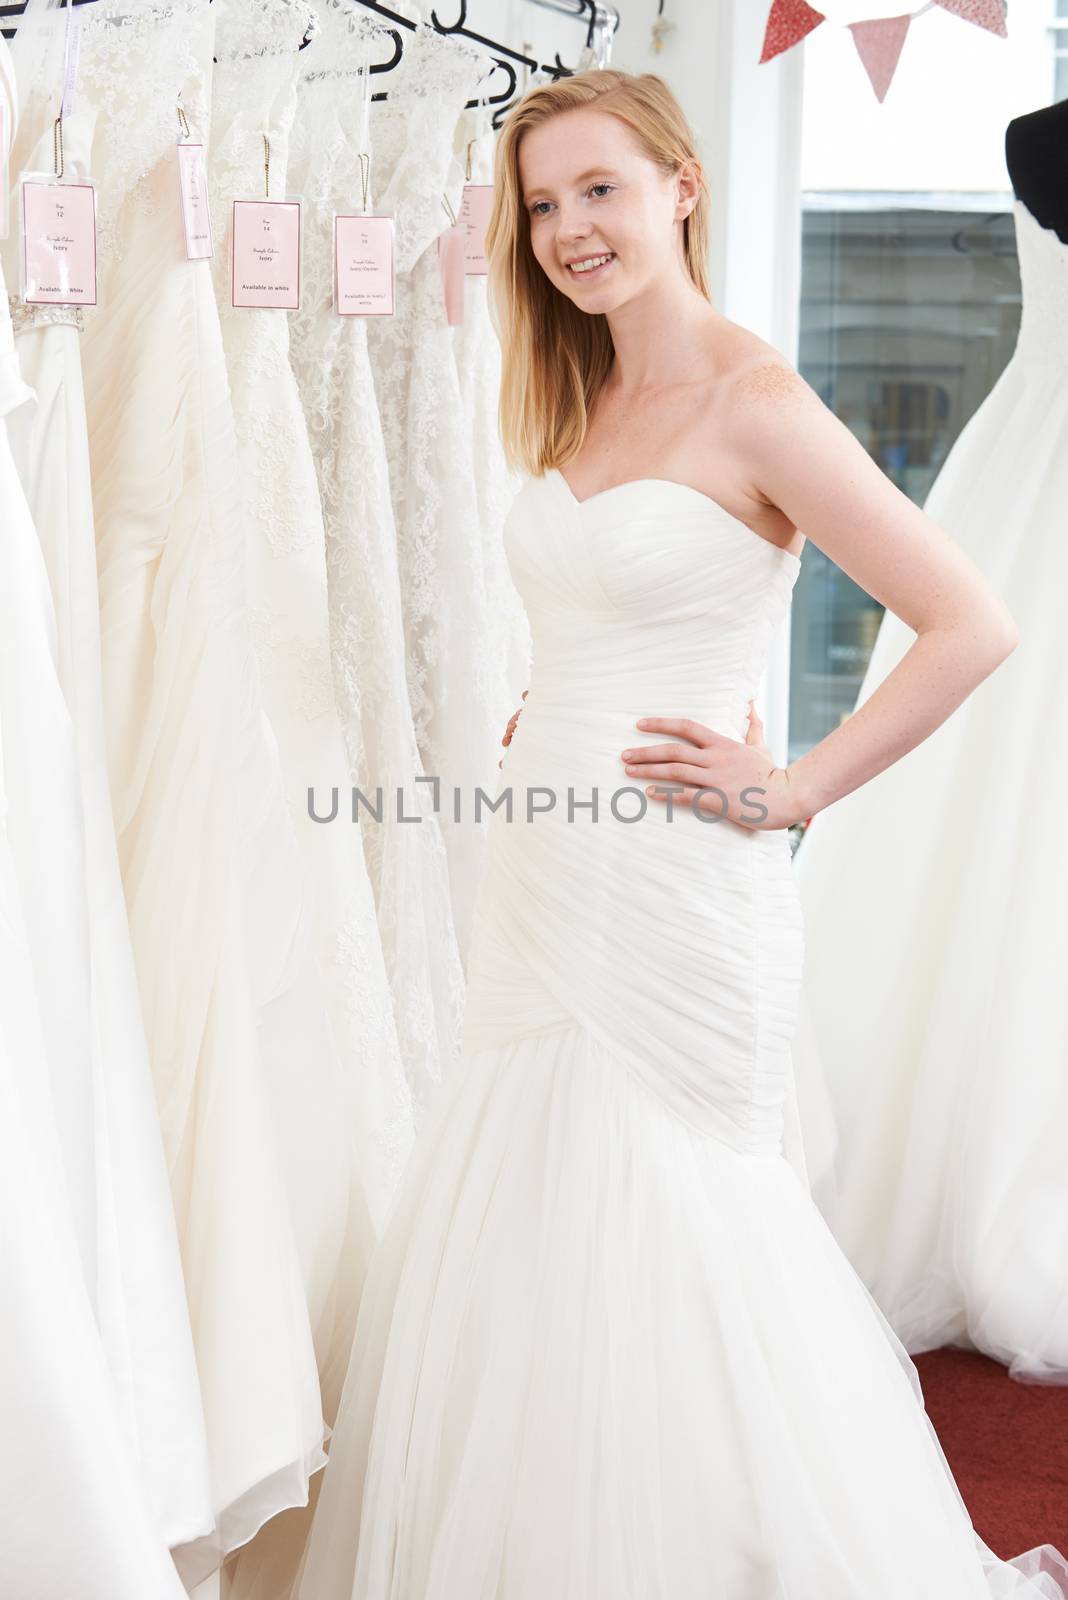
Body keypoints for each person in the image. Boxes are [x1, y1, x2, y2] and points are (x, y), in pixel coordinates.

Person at [296, 67, 1068, 1599]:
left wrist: (793, 790)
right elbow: (608, 604)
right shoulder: (578, 395)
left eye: (602, 190)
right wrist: (549, 710)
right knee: (530, 1190)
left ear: (681, 188)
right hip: (545, 860)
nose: (574, 230)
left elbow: (968, 622)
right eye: (544, 206)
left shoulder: (752, 395)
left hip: (680, 881)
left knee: (679, 1208)